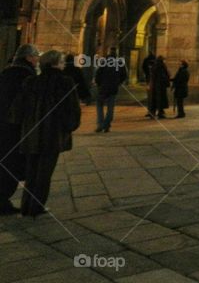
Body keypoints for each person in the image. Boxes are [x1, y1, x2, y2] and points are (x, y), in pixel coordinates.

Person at [11, 50, 81, 217]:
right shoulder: (65, 82)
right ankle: (36, 207)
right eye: (62, 61)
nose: (64, 64)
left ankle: (26, 206)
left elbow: (17, 110)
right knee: (44, 173)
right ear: (56, 63)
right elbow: (72, 110)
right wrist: (68, 127)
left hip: (30, 134)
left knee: (31, 172)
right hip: (52, 135)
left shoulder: (31, 81)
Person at [0, 44, 38, 215]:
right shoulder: (27, 76)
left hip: (3, 126)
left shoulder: (5, 73)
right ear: (28, 57)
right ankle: (3, 201)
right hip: (16, 129)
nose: (37, 60)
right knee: (12, 165)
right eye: (35, 56)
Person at [94, 48, 127, 132]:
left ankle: (100, 124)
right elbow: (124, 75)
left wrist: (99, 84)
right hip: (113, 88)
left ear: (108, 52)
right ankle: (107, 125)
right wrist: (118, 82)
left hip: (103, 88)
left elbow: (98, 74)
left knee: (99, 105)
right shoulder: (120, 62)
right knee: (110, 107)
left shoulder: (104, 61)